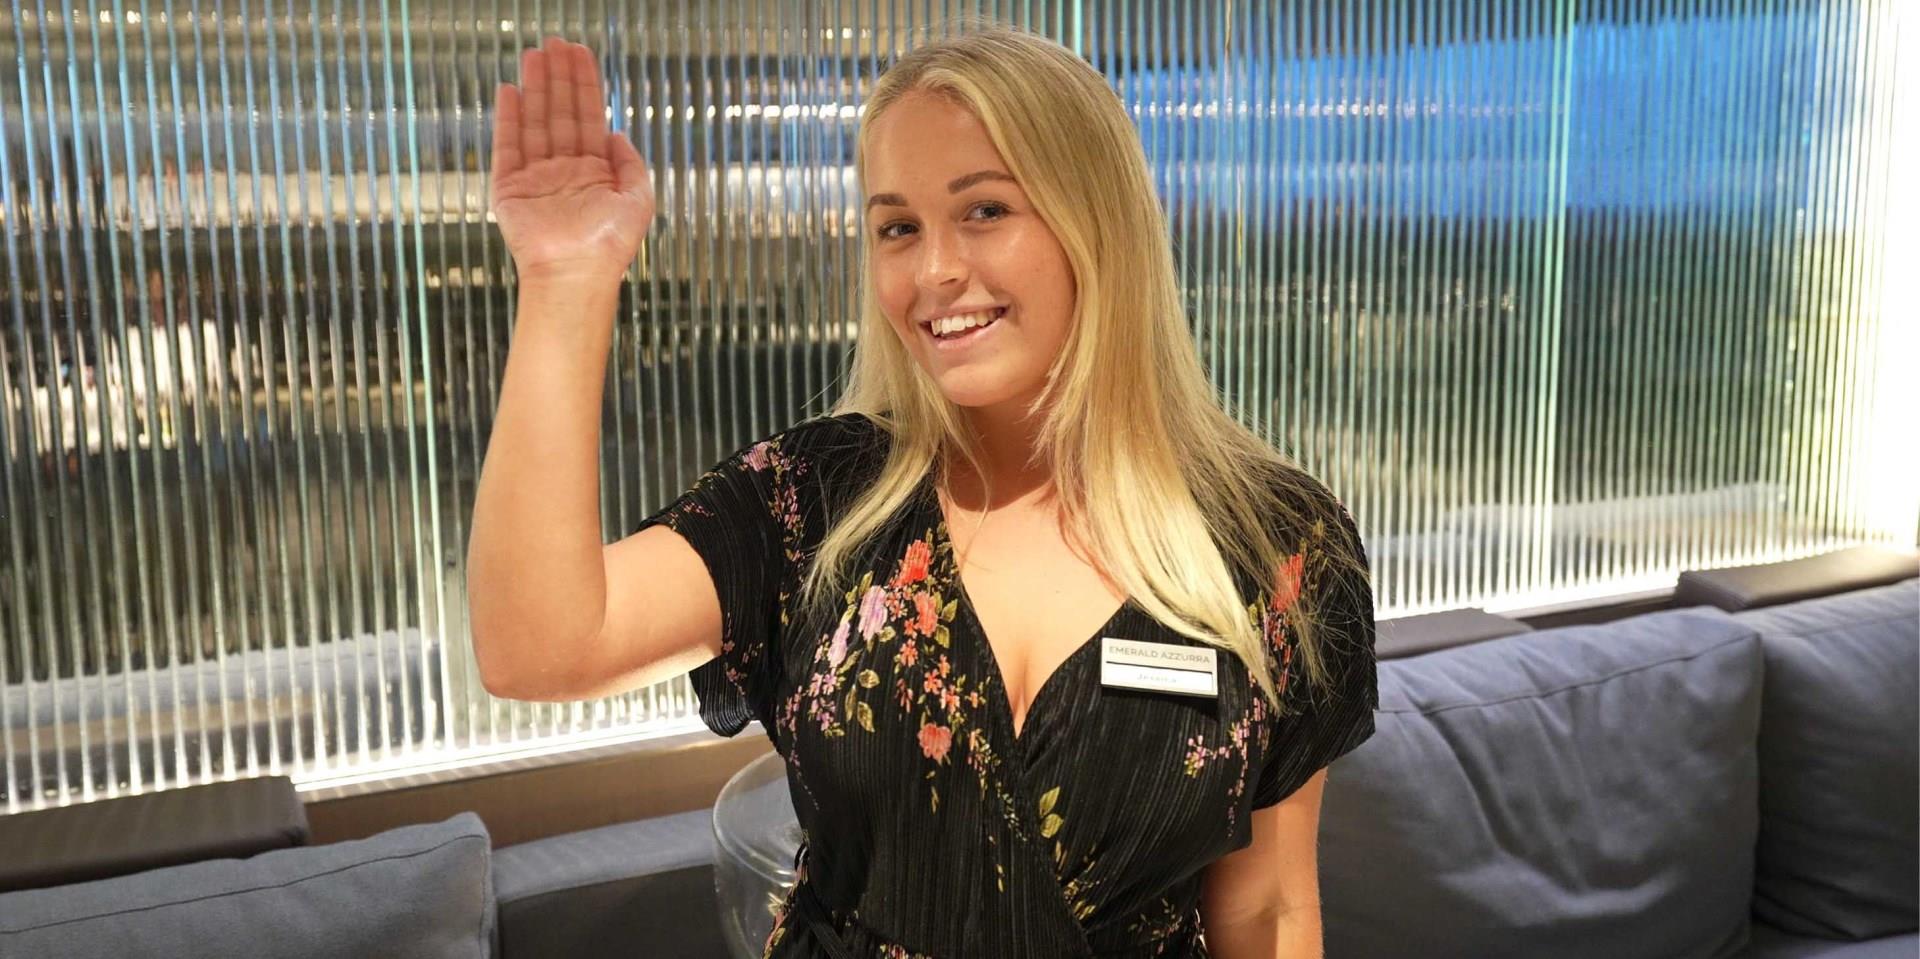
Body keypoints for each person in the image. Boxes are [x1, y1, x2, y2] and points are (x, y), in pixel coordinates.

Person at [468, 23, 1378, 959]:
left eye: (984, 210)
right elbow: (539, 647)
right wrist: (565, 279)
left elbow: (1266, 910)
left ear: (1097, 221)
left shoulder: (1274, 543)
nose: (934, 270)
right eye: (898, 228)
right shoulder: (811, 503)